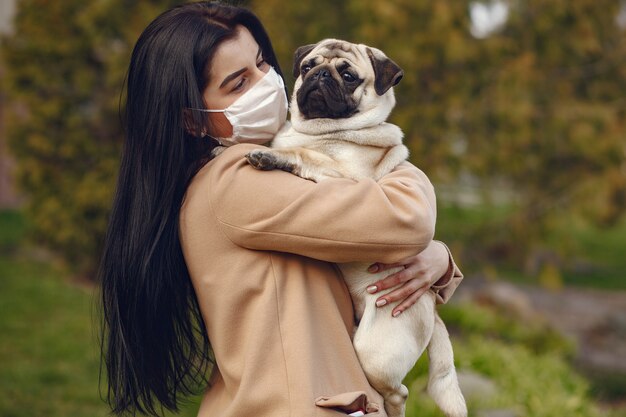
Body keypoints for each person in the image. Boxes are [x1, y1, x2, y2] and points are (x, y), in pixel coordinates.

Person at [98, 2, 463, 417]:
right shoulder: (236, 181)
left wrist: (437, 259)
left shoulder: (254, 174)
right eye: (238, 84)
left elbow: (365, 238)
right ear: (191, 119)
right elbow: (406, 218)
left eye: (262, 63)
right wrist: (389, 152)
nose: (265, 83)